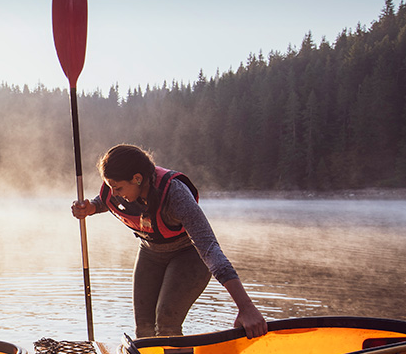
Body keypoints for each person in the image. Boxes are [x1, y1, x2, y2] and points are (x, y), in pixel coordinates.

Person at [70, 143, 267, 340]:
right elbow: (106, 201)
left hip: (189, 255)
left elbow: (209, 249)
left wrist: (245, 307)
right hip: (150, 254)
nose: (114, 193)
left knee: (166, 325)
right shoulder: (116, 189)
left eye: (118, 188)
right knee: (144, 330)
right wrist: (91, 208)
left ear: (137, 179)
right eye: (111, 187)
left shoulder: (175, 194)